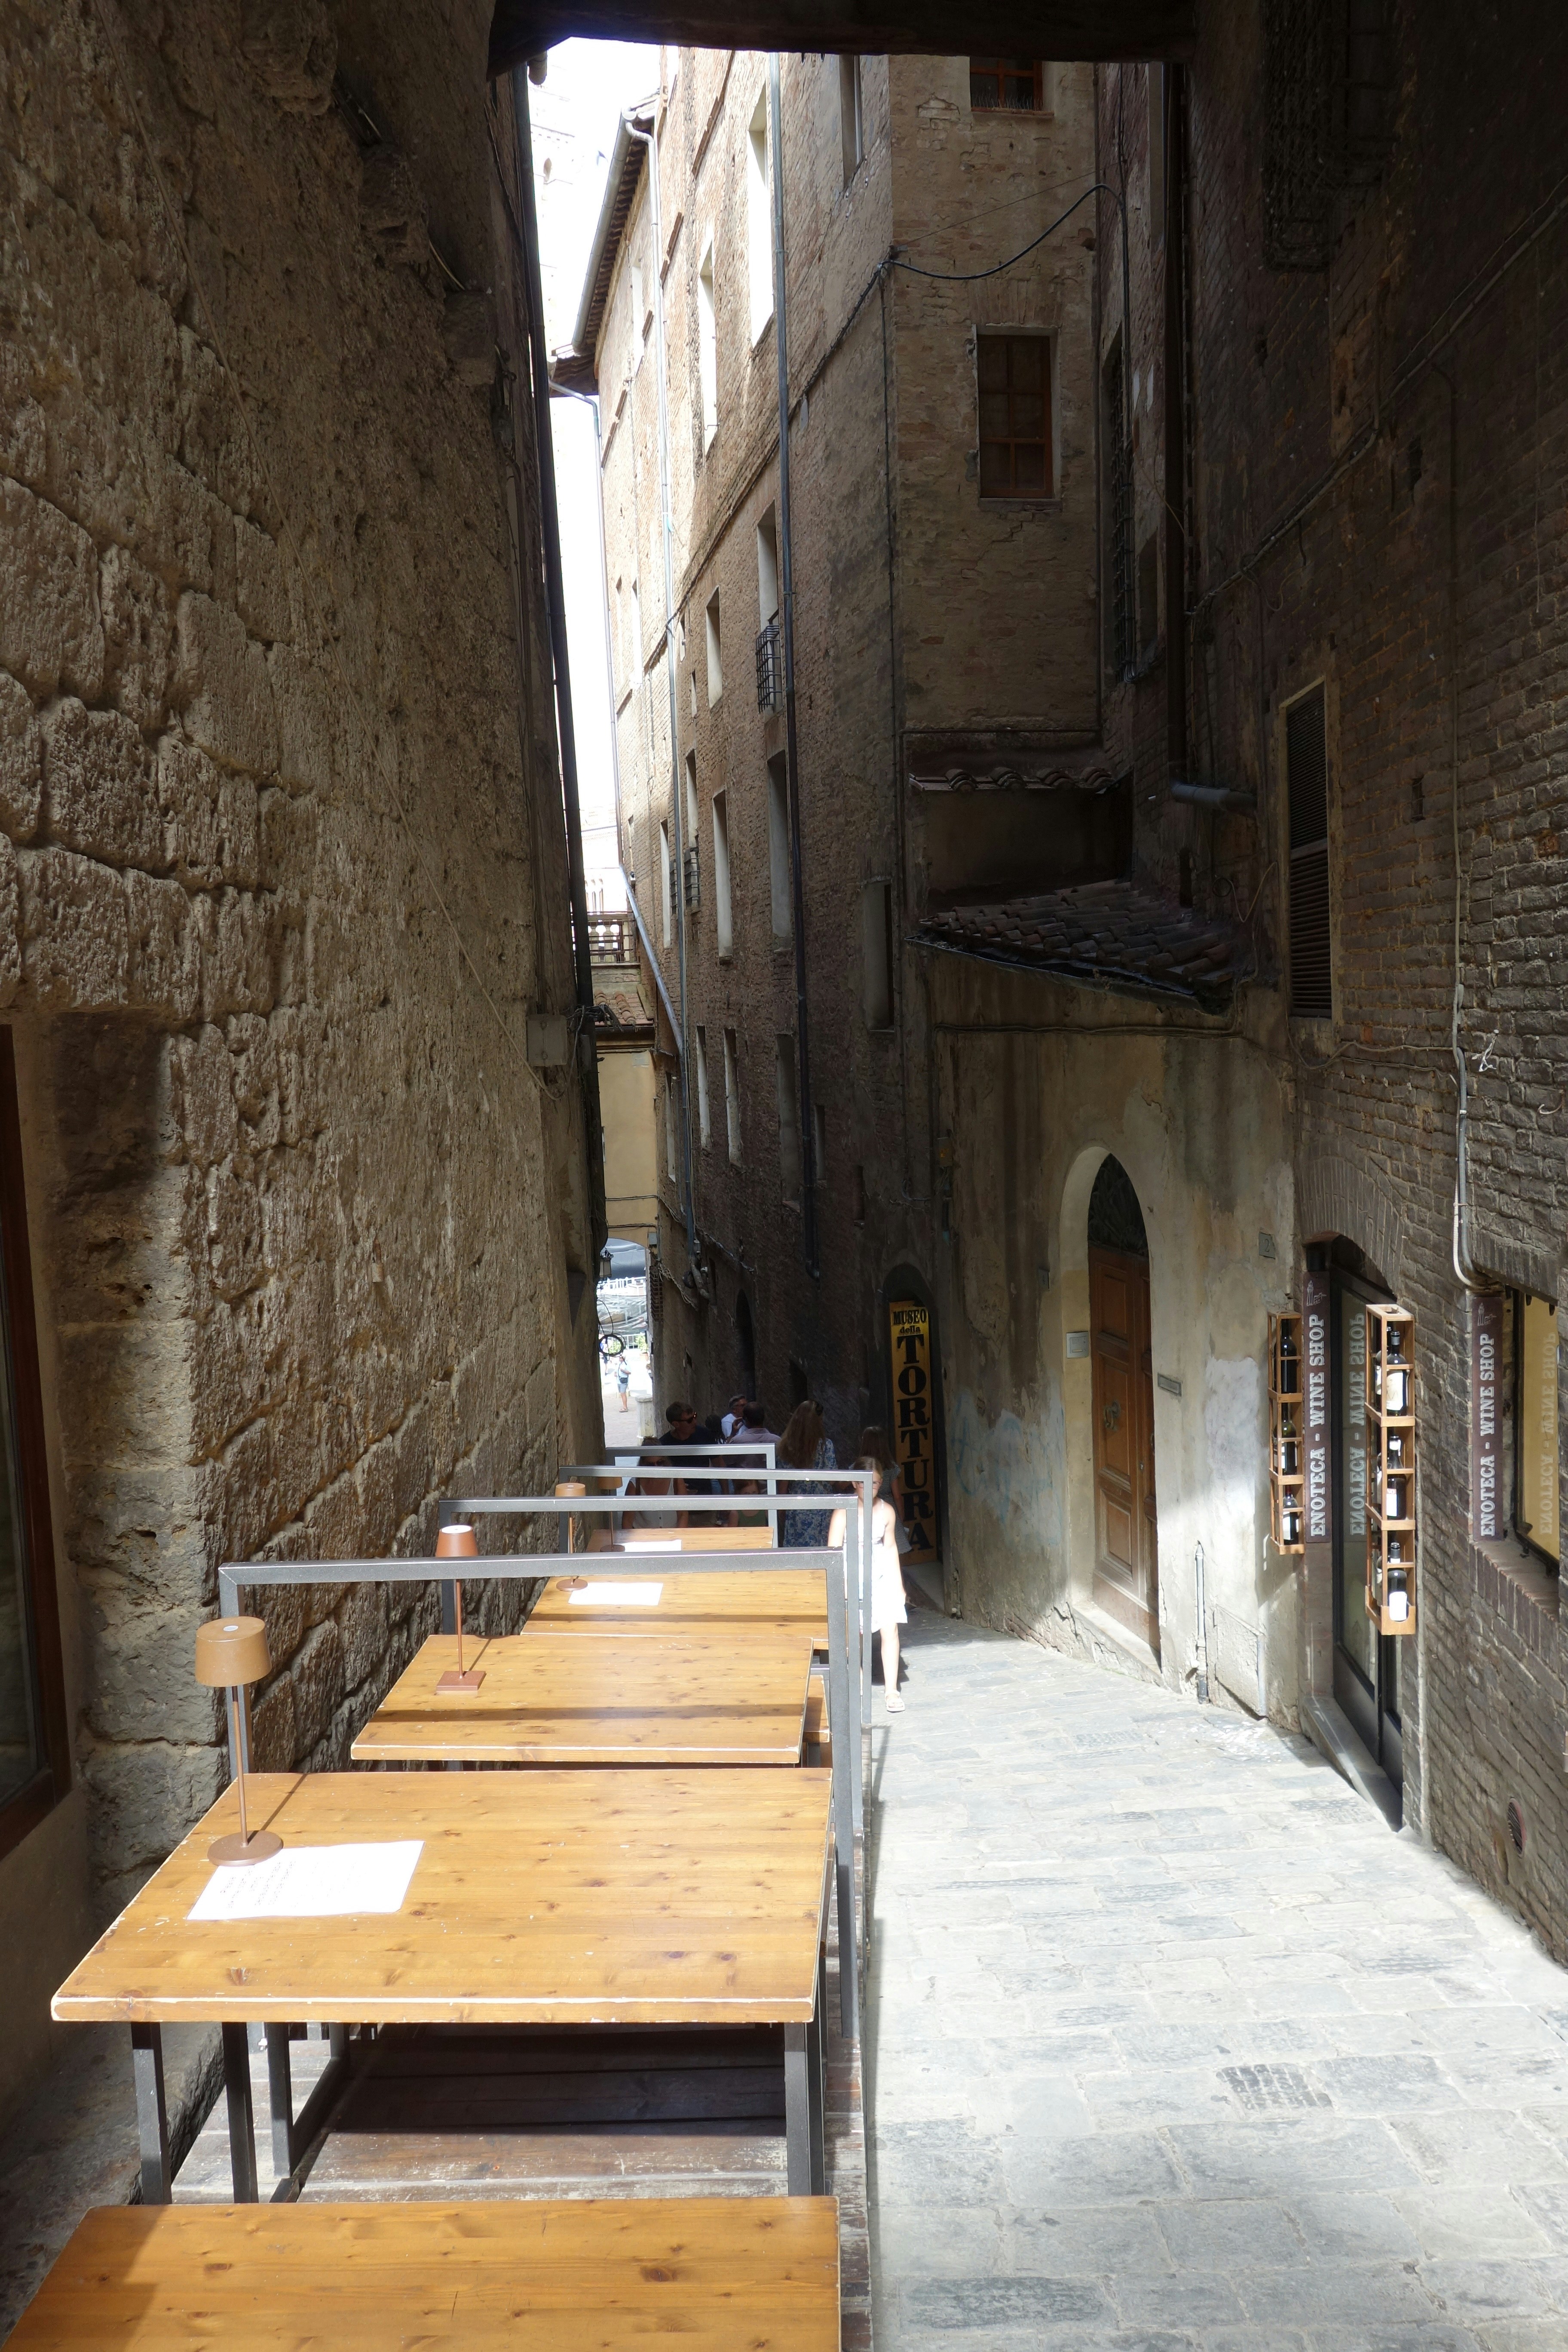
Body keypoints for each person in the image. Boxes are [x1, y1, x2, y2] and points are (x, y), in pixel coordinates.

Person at [829, 1455, 908, 1711]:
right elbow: (834, 1549)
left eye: (874, 1484)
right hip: (853, 1574)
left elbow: (891, 1547)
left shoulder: (887, 1511)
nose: (869, 1488)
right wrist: (840, 1586)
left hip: (880, 1574)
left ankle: (892, 1690)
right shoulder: (843, 1512)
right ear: (854, 1483)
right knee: (855, 1634)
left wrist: (899, 1584)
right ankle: (861, 1682)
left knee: (891, 1629)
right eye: (864, 1483)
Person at [778, 1399, 836, 1547]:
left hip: (797, 1505)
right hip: (821, 1505)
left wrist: (782, 1510)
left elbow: (784, 1483)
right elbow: (832, 1479)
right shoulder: (825, 1446)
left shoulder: (787, 1447)